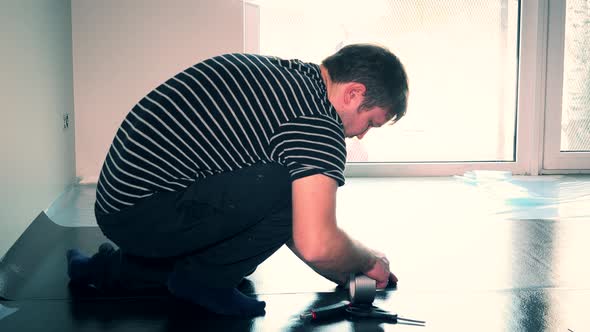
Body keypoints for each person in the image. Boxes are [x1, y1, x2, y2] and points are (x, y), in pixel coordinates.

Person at [66, 43, 409, 317]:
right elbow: (314, 239)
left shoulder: (287, 77)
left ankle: (106, 270)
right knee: (287, 184)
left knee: (283, 189)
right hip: (144, 214)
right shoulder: (319, 122)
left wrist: (342, 271)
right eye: (371, 123)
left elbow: (290, 226)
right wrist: (368, 262)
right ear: (353, 94)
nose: (362, 136)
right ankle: (205, 282)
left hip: (119, 203)